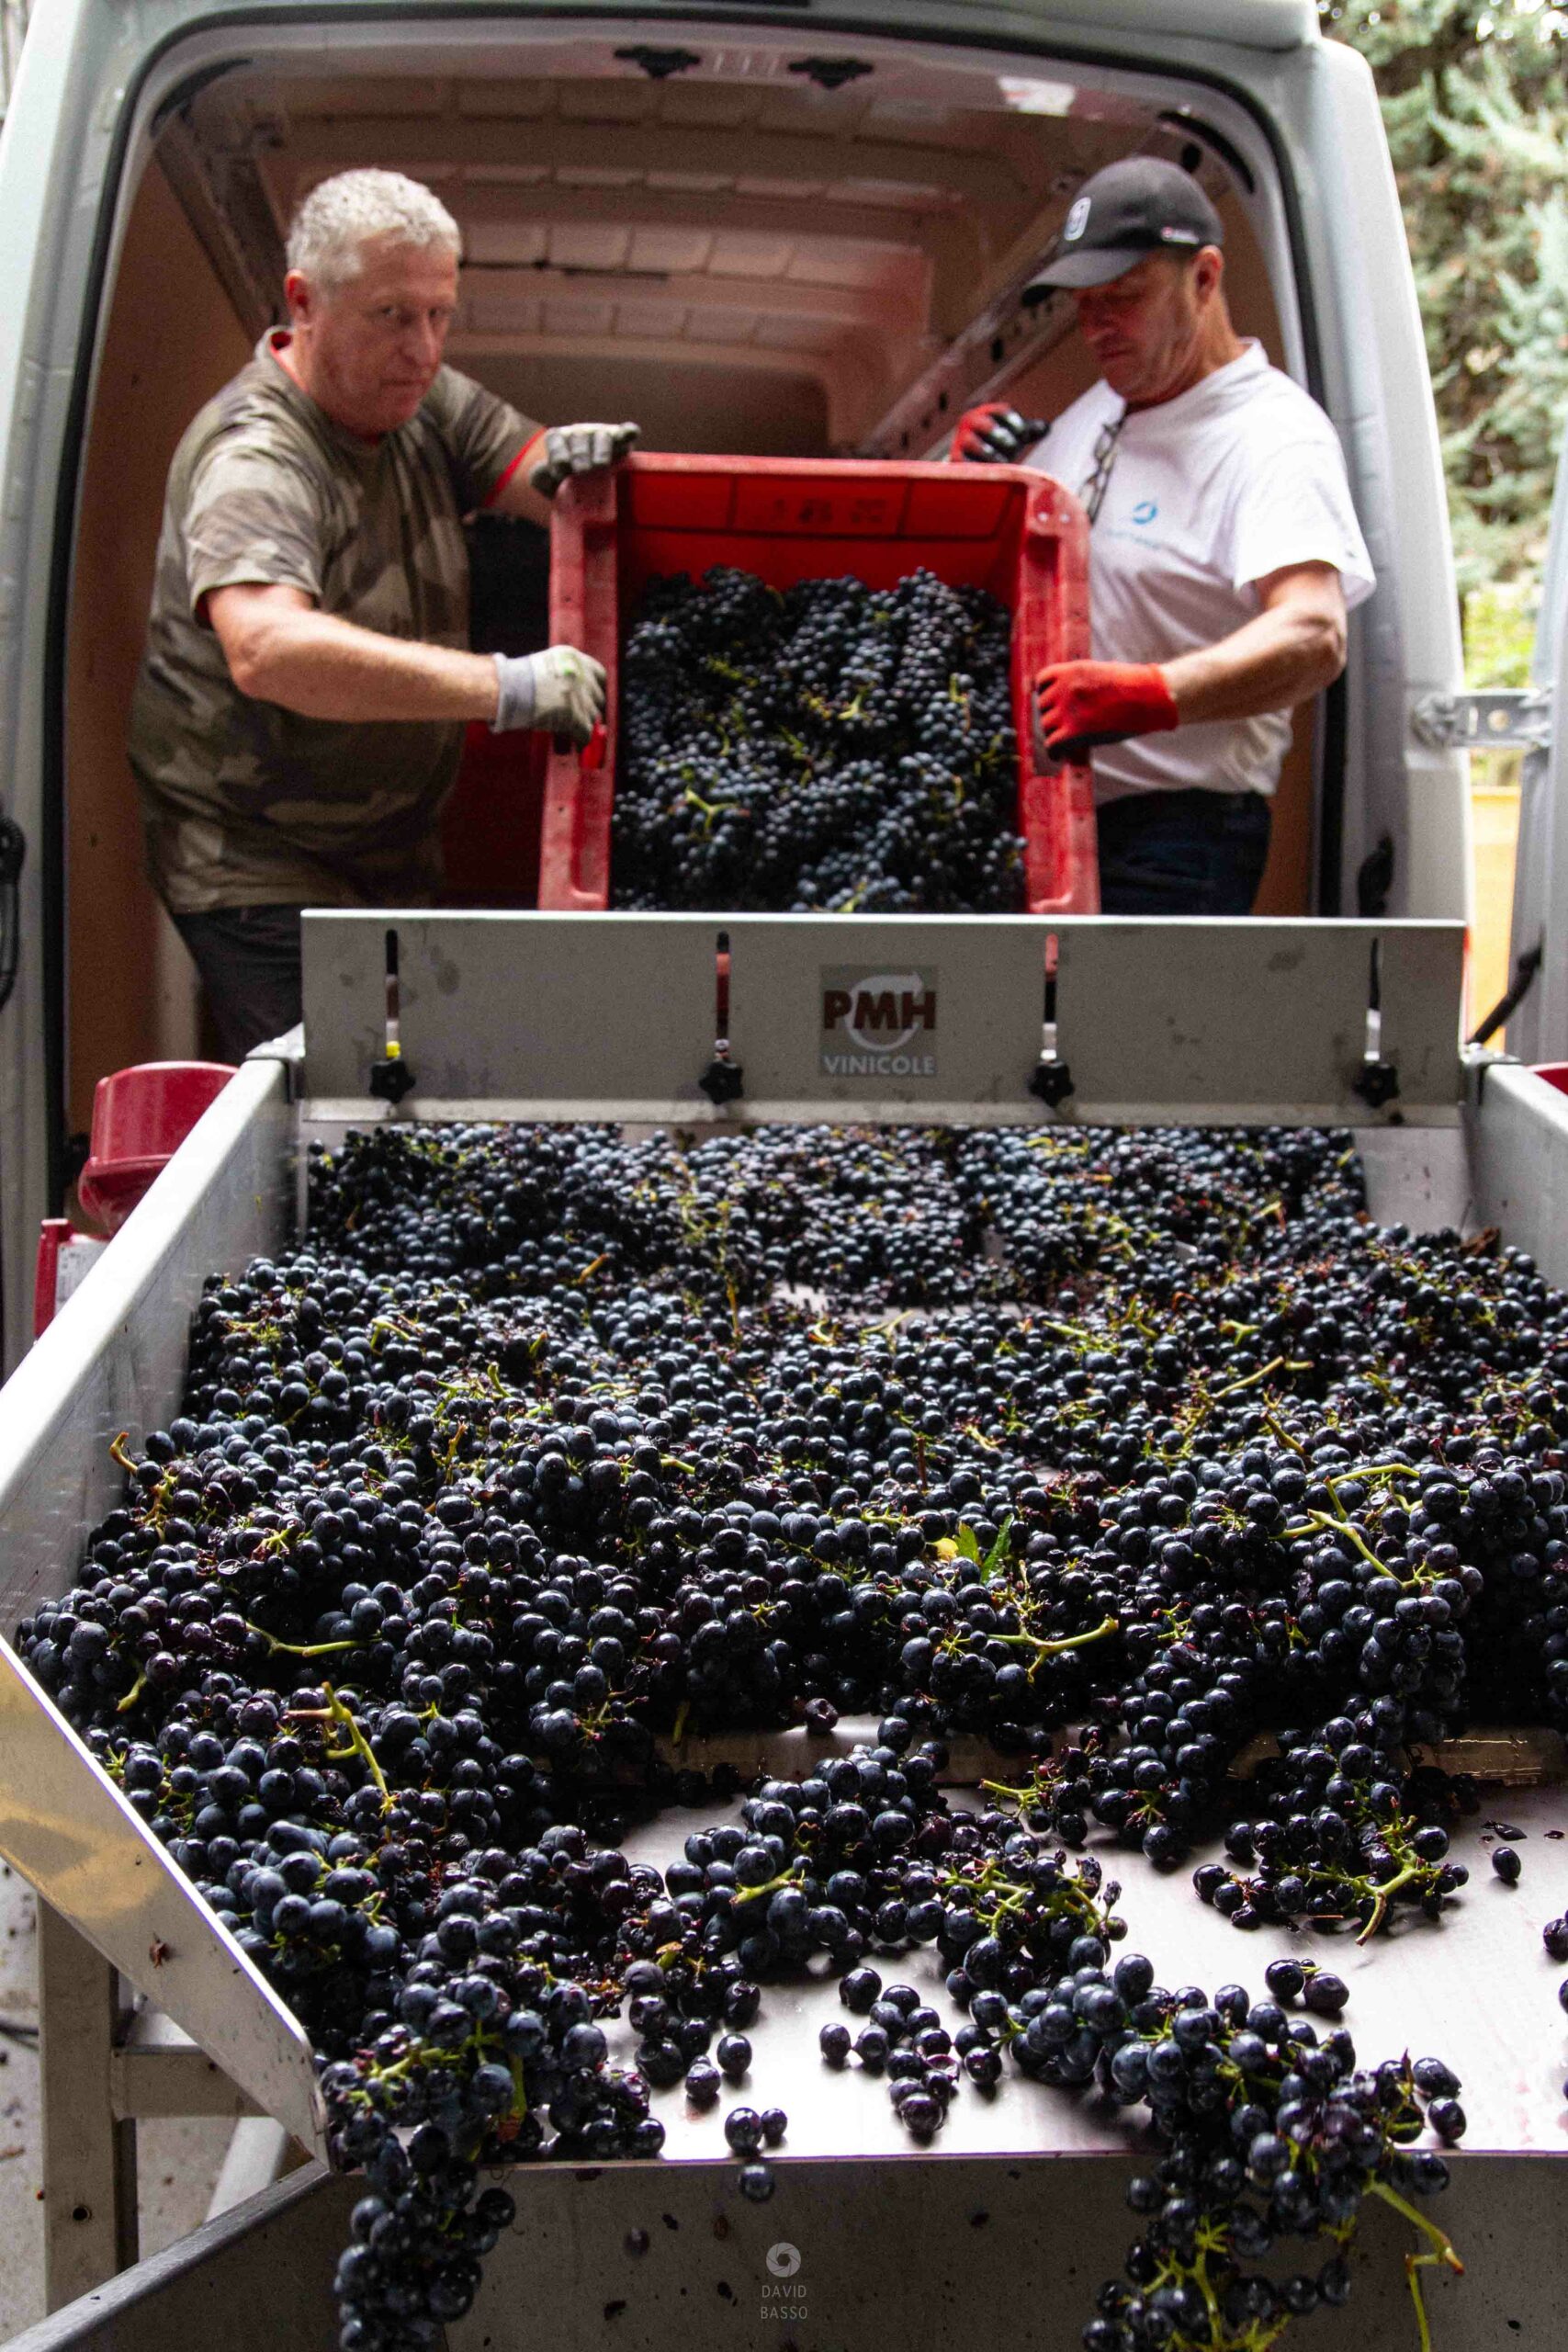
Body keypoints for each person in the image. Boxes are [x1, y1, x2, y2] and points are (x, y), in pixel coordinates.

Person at [130, 168, 639, 1057]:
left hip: (387, 852)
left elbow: (523, 462)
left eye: (441, 313)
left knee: (410, 1083)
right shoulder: (258, 457)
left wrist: (572, 465)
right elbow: (269, 649)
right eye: (393, 316)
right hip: (259, 860)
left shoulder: (414, 396)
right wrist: (507, 687)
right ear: (305, 302)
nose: (426, 348)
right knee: (348, 1108)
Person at [950, 156, 1374, 915]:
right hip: (1054, 821)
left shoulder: (1271, 436)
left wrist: (1152, 694)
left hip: (1178, 843)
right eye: (1083, 306)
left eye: (1123, 297)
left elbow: (1313, 634)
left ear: (1204, 278)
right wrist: (977, 478)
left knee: (1128, 1040)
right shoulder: (1101, 408)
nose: (1096, 326)